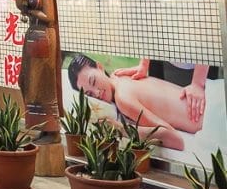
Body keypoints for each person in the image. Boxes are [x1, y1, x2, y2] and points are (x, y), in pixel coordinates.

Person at [68, 54, 199, 151]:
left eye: (93, 81)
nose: (96, 93)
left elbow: (174, 139)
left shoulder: (122, 98)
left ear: (100, 67)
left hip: (207, 117)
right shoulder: (120, 75)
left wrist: (119, 128)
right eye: (89, 94)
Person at [14, 0, 63, 144]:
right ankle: (40, 126)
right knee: (28, 81)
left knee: (42, 84)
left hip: (43, 39)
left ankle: (51, 129)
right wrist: (22, 5)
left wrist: (29, 11)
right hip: (34, 38)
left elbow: (49, 17)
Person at [113, 59, 210, 125]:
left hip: (201, 63)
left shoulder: (123, 95)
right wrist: (144, 64)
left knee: (198, 105)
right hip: (168, 54)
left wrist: (198, 83)